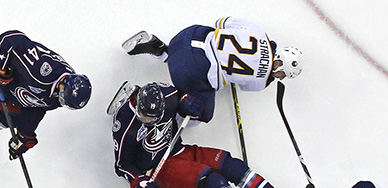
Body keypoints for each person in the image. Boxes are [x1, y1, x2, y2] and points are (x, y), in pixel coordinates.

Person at [112, 81, 311, 188]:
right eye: (145, 117)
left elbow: (180, 94)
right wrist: (139, 182)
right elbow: (122, 165)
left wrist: (185, 101)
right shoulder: (124, 122)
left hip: (178, 149)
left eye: (152, 117)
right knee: (211, 181)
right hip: (157, 169)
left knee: (231, 165)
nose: (148, 121)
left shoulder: (166, 92)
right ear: (137, 105)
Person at [122, 17, 303, 122]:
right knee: (202, 113)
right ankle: (152, 101)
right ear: (279, 64)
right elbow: (245, 85)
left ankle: (160, 49)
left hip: (187, 35)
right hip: (190, 71)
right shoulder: (262, 81)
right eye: (283, 74)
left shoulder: (258, 31)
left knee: (208, 35)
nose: (279, 77)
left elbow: (221, 22)